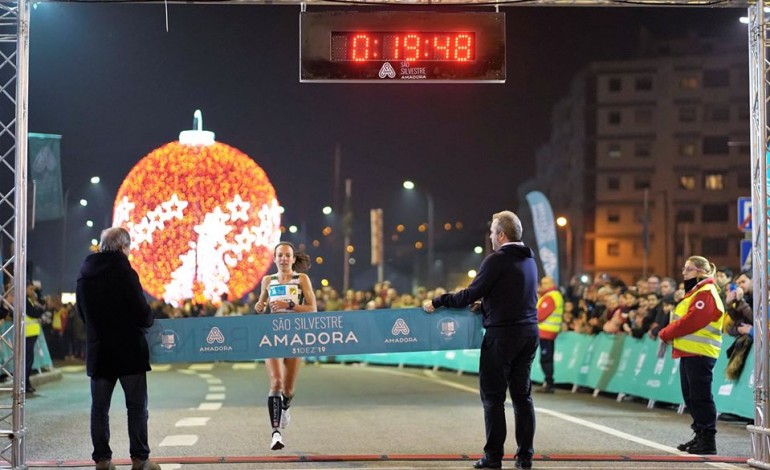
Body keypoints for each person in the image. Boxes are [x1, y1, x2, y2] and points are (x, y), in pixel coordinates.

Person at [422, 211, 538, 470]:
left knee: (494, 398)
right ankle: (525, 457)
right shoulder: (530, 259)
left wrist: (439, 301)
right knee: (522, 397)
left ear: (501, 235)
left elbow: (469, 293)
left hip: (502, 336)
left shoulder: (496, 259)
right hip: (529, 334)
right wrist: (485, 306)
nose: (490, 237)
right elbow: (513, 295)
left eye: (492, 233)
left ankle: (493, 457)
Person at [76, 227, 161, 470]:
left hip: (99, 350)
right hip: (128, 351)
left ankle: (102, 460)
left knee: (99, 409)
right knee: (136, 407)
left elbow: (81, 312)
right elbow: (141, 312)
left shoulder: (84, 274)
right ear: (123, 247)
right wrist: (149, 318)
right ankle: (140, 459)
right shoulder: (125, 273)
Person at [659, 255, 725, 456]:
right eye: (684, 268)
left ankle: (707, 440)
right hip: (690, 352)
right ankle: (700, 434)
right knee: (691, 396)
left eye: (688, 269)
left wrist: (665, 333)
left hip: (701, 353)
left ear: (701, 272)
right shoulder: (697, 292)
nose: (683, 273)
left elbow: (691, 321)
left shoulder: (706, 293)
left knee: (700, 397)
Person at [254, 241, 317, 451]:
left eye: (287, 256)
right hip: (273, 336)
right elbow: (261, 306)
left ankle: (286, 405)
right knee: (276, 383)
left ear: (292, 259)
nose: (283, 259)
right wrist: (260, 305)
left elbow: (312, 309)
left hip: (295, 337)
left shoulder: (301, 279)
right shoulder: (267, 280)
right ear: (274, 259)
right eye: (279, 255)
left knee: (288, 389)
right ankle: (276, 434)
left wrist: (289, 305)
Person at [535, 275, 563, 393]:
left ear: (552, 284)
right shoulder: (549, 296)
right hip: (547, 332)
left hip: (546, 332)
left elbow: (540, 315)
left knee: (546, 359)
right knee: (546, 358)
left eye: (545, 283)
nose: (543, 286)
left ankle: (549, 383)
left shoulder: (551, 297)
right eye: (542, 283)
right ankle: (548, 382)